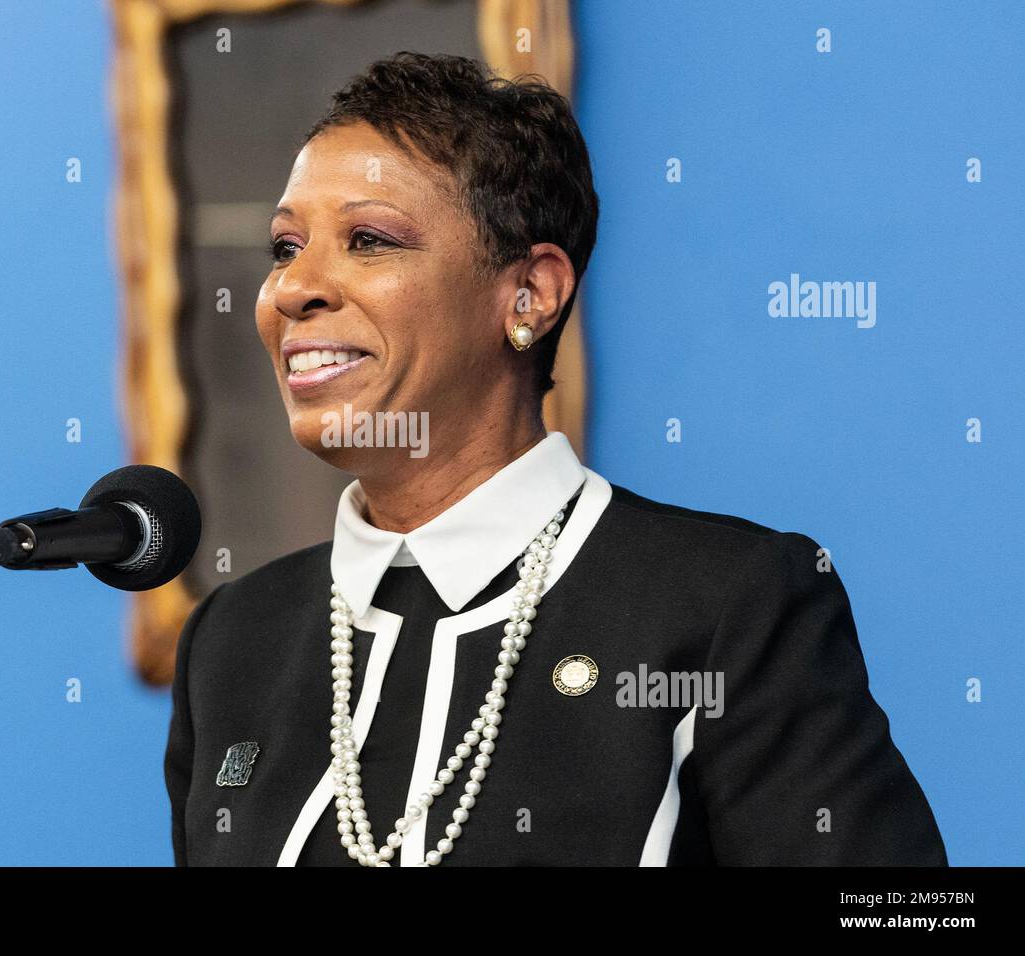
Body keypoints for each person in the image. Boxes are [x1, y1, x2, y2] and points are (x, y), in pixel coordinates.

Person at [164, 52, 946, 866]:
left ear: (530, 294)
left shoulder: (724, 606)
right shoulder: (233, 641)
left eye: (368, 239)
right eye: (284, 247)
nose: (294, 289)